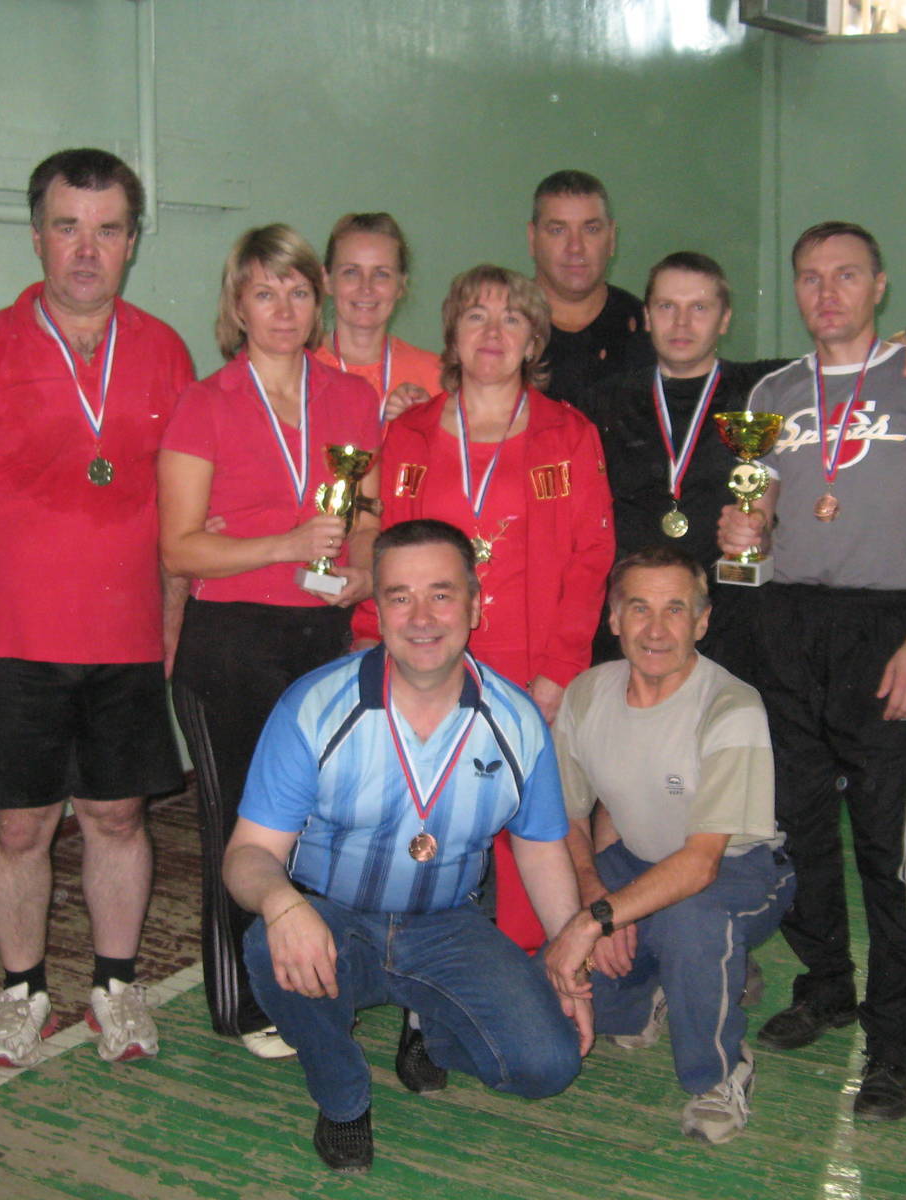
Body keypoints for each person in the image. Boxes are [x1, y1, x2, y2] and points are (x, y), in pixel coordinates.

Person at [0, 148, 192, 1069]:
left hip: (126, 639)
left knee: (118, 817)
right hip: (12, 644)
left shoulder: (165, 351)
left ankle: (116, 984)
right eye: (68, 227)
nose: (87, 249)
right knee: (20, 825)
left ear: (132, 242)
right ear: (37, 236)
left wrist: (171, 625)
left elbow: (182, 507)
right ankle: (22, 990)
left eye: (107, 230)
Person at [224, 520, 591, 1173]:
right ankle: (343, 1099)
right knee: (266, 943)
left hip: (446, 923)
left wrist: (569, 963)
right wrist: (282, 906)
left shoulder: (517, 721)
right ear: (379, 608)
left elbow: (540, 850)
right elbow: (247, 853)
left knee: (548, 1066)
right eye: (400, 597)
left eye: (441, 595)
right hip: (334, 920)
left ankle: (432, 1021)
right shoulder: (313, 706)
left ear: (475, 606)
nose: (421, 618)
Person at [718, 221, 906, 1121]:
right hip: (787, 625)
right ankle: (826, 984)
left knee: (887, 847)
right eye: (811, 277)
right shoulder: (774, 393)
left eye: (847, 275)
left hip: (884, 624)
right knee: (795, 828)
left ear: (879, 284)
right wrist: (744, 536)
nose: (827, 293)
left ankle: (895, 1038)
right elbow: (759, 520)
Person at [159, 224, 382, 1059]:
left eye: (297, 292)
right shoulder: (205, 403)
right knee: (244, 827)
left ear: (317, 303)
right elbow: (179, 548)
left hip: (322, 635)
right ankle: (245, 1001)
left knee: (321, 820)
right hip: (231, 642)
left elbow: (369, 516)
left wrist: (361, 569)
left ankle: (313, 975)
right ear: (238, 307)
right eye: (264, 293)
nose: (283, 310)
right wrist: (284, 545)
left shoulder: (351, 398)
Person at [355, 263, 614, 951]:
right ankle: (426, 977)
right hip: (428, 660)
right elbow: (387, 551)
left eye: (512, 318)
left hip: (531, 666)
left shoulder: (568, 434)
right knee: (430, 817)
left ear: (534, 340)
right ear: (453, 335)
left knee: (527, 825)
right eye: (476, 316)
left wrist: (559, 669)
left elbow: (592, 558)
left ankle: (533, 969)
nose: (493, 332)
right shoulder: (409, 434)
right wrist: (369, 642)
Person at [588, 250, 906, 679]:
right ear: (648, 316)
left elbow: (854, 356)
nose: (682, 323)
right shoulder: (602, 401)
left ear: (725, 319)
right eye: (667, 306)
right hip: (635, 618)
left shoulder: (765, 389)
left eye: (700, 308)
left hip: (734, 619)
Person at [544, 544, 794, 1144]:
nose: (655, 630)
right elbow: (569, 815)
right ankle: (661, 994)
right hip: (635, 862)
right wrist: (596, 895)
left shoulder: (731, 705)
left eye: (675, 610)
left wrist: (597, 919)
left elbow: (700, 864)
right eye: (639, 609)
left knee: (691, 922)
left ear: (701, 622)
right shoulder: (586, 693)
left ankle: (720, 1072)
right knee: (553, 1001)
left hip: (740, 869)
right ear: (613, 618)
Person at [527, 169, 653, 412]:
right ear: (532, 238)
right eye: (558, 230)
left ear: (612, 238)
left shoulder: (648, 330)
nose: (575, 247)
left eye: (591, 229)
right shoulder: (498, 331)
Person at [314, 212, 442, 423]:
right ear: (327, 280)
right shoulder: (296, 369)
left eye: (381, 274)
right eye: (351, 272)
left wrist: (426, 425)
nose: (366, 287)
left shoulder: (437, 376)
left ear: (401, 285)